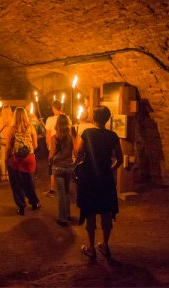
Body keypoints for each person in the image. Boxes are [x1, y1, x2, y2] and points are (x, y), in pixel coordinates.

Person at [76, 106, 123, 259]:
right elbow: (120, 159)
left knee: (90, 211)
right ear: (107, 118)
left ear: (94, 118)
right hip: (105, 177)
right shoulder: (112, 136)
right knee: (106, 212)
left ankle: (90, 247)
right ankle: (104, 244)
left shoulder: (87, 133)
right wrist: (110, 169)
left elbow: (79, 152)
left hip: (90, 177)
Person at [5, 107, 41, 216]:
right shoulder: (31, 128)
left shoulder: (12, 129)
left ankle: (21, 207)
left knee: (17, 185)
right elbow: (35, 145)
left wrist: (7, 158)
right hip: (29, 159)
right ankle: (34, 203)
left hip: (16, 160)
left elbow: (8, 147)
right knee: (29, 183)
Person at [49, 114, 75, 227]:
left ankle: (62, 218)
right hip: (68, 167)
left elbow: (51, 154)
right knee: (67, 191)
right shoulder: (71, 137)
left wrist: (50, 160)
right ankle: (68, 213)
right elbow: (75, 150)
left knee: (60, 193)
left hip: (58, 167)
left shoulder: (54, 138)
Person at [44, 100, 63, 197]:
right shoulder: (66, 118)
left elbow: (47, 136)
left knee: (53, 167)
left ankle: (52, 190)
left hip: (53, 146)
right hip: (64, 146)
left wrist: (49, 147)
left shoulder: (50, 120)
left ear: (53, 108)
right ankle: (63, 190)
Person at [0, 106, 13, 183]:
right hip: (10, 141)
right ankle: (9, 174)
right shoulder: (13, 120)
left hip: (1, 141)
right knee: (9, 159)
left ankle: (3, 174)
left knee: (2, 159)